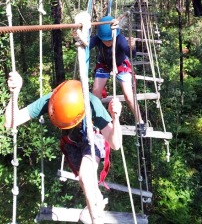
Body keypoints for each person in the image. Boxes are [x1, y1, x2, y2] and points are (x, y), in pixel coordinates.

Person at [5, 72, 122, 224]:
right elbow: (10, 122)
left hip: (94, 138)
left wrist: (115, 118)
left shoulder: (92, 103)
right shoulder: (52, 100)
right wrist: (15, 93)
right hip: (72, 142)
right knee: (84, 179)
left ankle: (96, 219)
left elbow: (116, 144)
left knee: (86, 176)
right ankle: (97, 199)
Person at [90, 15, 146, 136]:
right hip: (104, 64)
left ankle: (140, 121)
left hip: (121, 64)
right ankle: (96, 121)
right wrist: (78, 39)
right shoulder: (98, 39)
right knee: (95, 93)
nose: (108, 42)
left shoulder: (120, 39)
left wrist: (132, 47)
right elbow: (86, 46)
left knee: (128, 95)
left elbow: (132, 55)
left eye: (110, 39)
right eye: (105, 40)